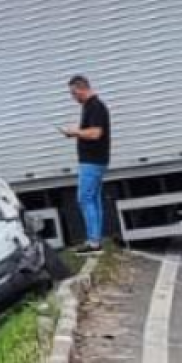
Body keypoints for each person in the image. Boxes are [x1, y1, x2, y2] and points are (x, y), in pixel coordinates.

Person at [61, 75, 111, 254]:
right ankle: (95, 239)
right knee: (93, 199)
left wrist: (75, 132)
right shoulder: (91, 106)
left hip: (92, 161)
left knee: (85, 199)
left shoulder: (95, 106)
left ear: (81, 88)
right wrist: (77, 132)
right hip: (95, 160)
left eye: (73, 93)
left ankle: (93, 242)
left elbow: (96, 133)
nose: (73, 97)